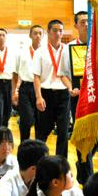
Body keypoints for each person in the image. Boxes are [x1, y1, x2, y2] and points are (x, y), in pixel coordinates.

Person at [59, 11, 95, 184]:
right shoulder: (69, 48)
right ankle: (89, 176)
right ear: (76, 26)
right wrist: (70, 88)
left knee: (95, 138)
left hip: (96, 98)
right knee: (82, 136)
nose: (86, 25)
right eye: (82, 22)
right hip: (77, 97)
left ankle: (82, 165)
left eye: (88, 22)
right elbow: (63, 74)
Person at [33, 19, 70, 158]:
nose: (58, 33)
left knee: (63, 131)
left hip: (63, 94)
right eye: (55, 30)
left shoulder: (67, 50)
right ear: (48, 32)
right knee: (43, 131)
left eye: (61, 30)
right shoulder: (40, 52)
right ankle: (38, 159)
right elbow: (36, 76)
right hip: (46, 94)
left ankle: (61, 162)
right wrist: (38, 97)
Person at [13, 25, 42, 142]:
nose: (38, 35)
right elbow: (15, 74)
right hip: (26, 87)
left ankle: (39, 148)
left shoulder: (45, 52)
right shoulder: (21, 52)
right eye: (35, 33)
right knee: (27, 119)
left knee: (40, 121)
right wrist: (14, 92)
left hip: (40, 88)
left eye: (40, 33)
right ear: (30, 35)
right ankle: (24, 145)